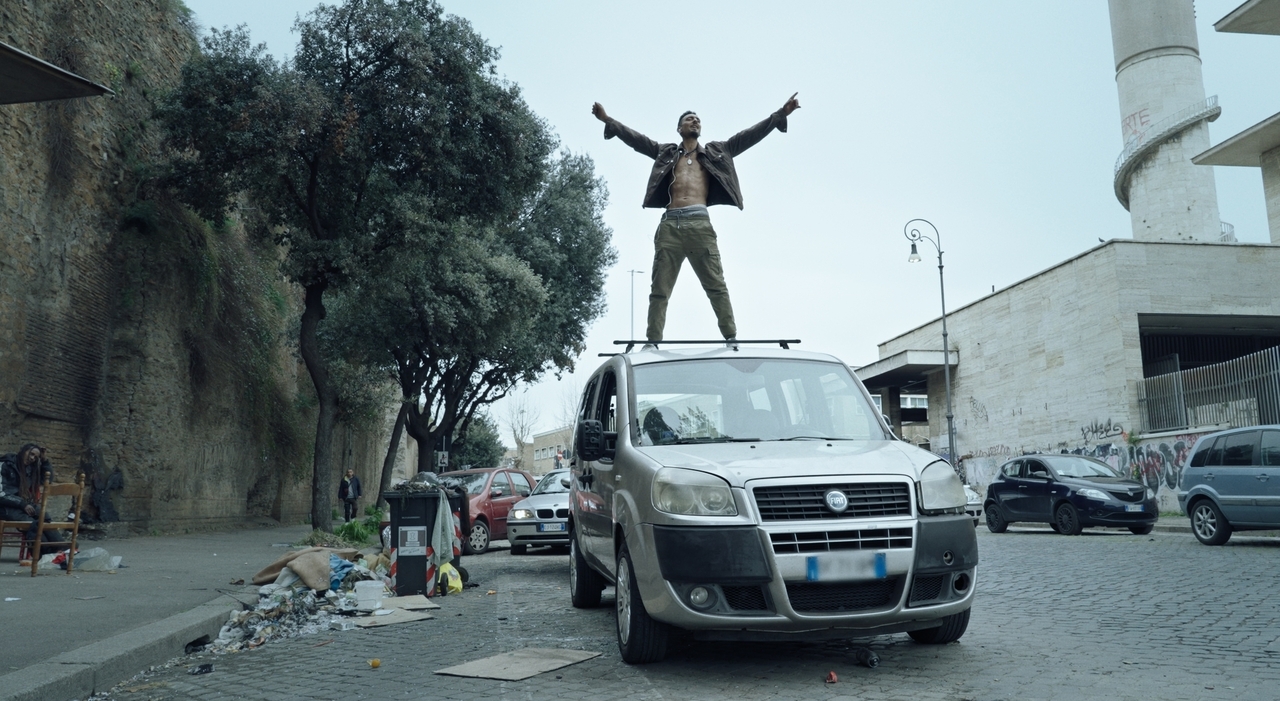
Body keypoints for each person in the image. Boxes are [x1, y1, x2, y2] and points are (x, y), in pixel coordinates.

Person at [591, 94, 801, 348]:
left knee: (716, 285)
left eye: (698, 120)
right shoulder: (666, 153)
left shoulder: (718, 151)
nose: (695, 122)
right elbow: (636, 140)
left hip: (700, 226)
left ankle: (731, 338)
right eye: (689, 119)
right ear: (679, 128)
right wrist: (608, 120)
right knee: (659, 290)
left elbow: (750, 136)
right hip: (670, 227)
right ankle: (652, 342)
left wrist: (781, 114)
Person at [0, 444, 55, 546]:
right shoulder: (5, 464)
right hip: (4, 505)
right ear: (22, 451)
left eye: (35, 457)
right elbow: (0, 493)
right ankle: (45, 552)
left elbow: (48, 479)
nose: (32, 458)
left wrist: (44, 460)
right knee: (30, 522)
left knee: (44, 517)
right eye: (31, 454)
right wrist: (22, 504)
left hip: (21, 504)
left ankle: (63, 549)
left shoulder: (29, 469)